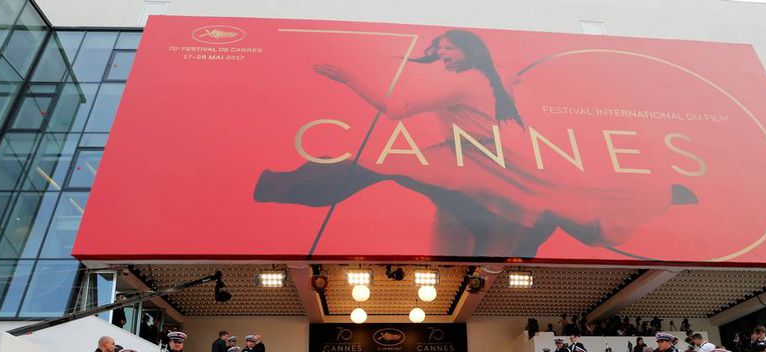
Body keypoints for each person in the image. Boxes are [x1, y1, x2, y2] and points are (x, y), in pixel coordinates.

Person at [254, 30, 677, 258]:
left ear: (469, 50)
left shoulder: (469, 81)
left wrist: (350, 79)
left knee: (375, 165)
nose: (443, 55)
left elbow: (398, 108)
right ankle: (280, 186)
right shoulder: (490, 79)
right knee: (514, 217)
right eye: (438, 50)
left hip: (476, 160)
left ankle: (276, 186)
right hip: (475, 158)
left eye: (449, 49)